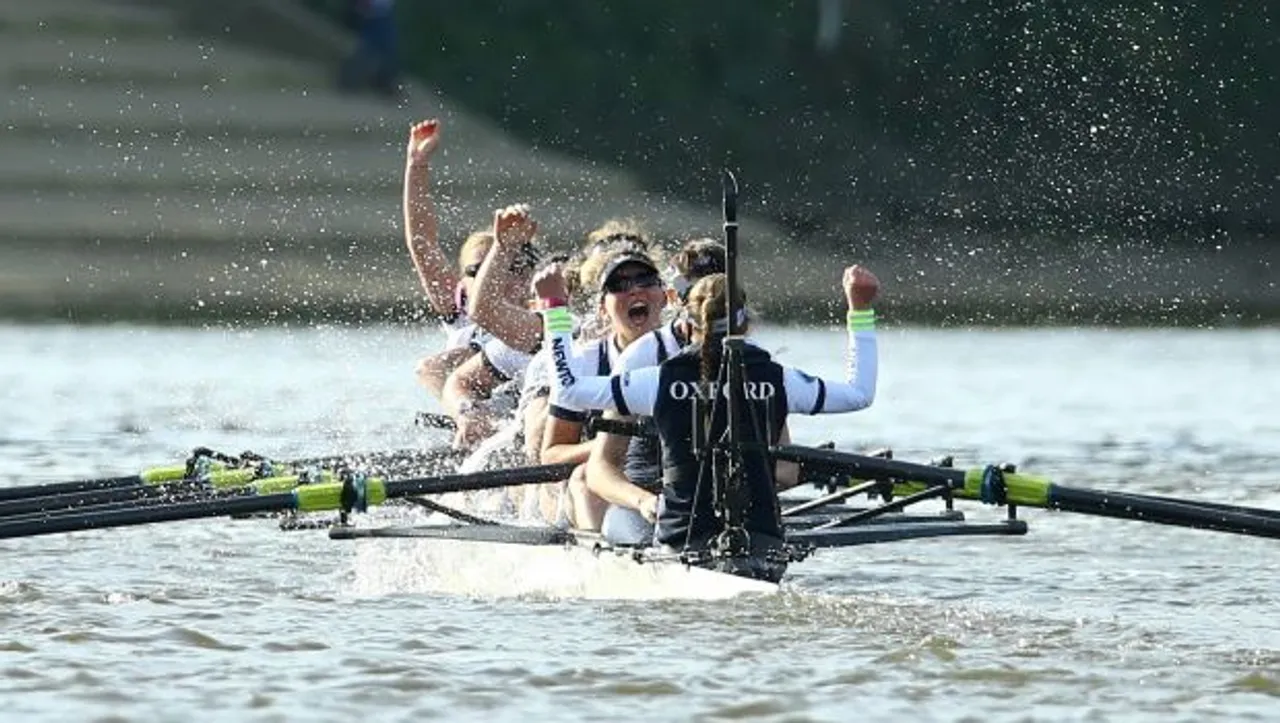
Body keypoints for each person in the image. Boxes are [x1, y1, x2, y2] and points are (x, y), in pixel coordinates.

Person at [534, 264, 880, 558]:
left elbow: (569, 389)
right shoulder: (777, 378)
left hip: (679, 534)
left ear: (688, 324)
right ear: (746, 324)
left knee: (618, 529)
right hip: (762, 538)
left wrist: (554, 308)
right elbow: (859, 395)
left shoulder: (658, 380)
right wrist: (859, 310)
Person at [585, 239, 730, 543]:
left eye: (724, 297)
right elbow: (600, 468)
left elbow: (782, 468)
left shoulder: (753, 358)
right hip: (651, 500)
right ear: (675, 298)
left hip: (723, 503)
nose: (712, 308)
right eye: (701, 297)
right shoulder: (643, 357)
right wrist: (644, 502)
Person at [538, 247, 668, 530]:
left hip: (667, 476)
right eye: (619, 286)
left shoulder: (685, 354)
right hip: (599, 484)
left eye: (645, 281)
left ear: (665, 296)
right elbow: (551, 454)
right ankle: (602, 559)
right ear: (602, 308)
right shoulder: (584, 363)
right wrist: (614, 448)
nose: (635, 291)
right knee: (584, 477)